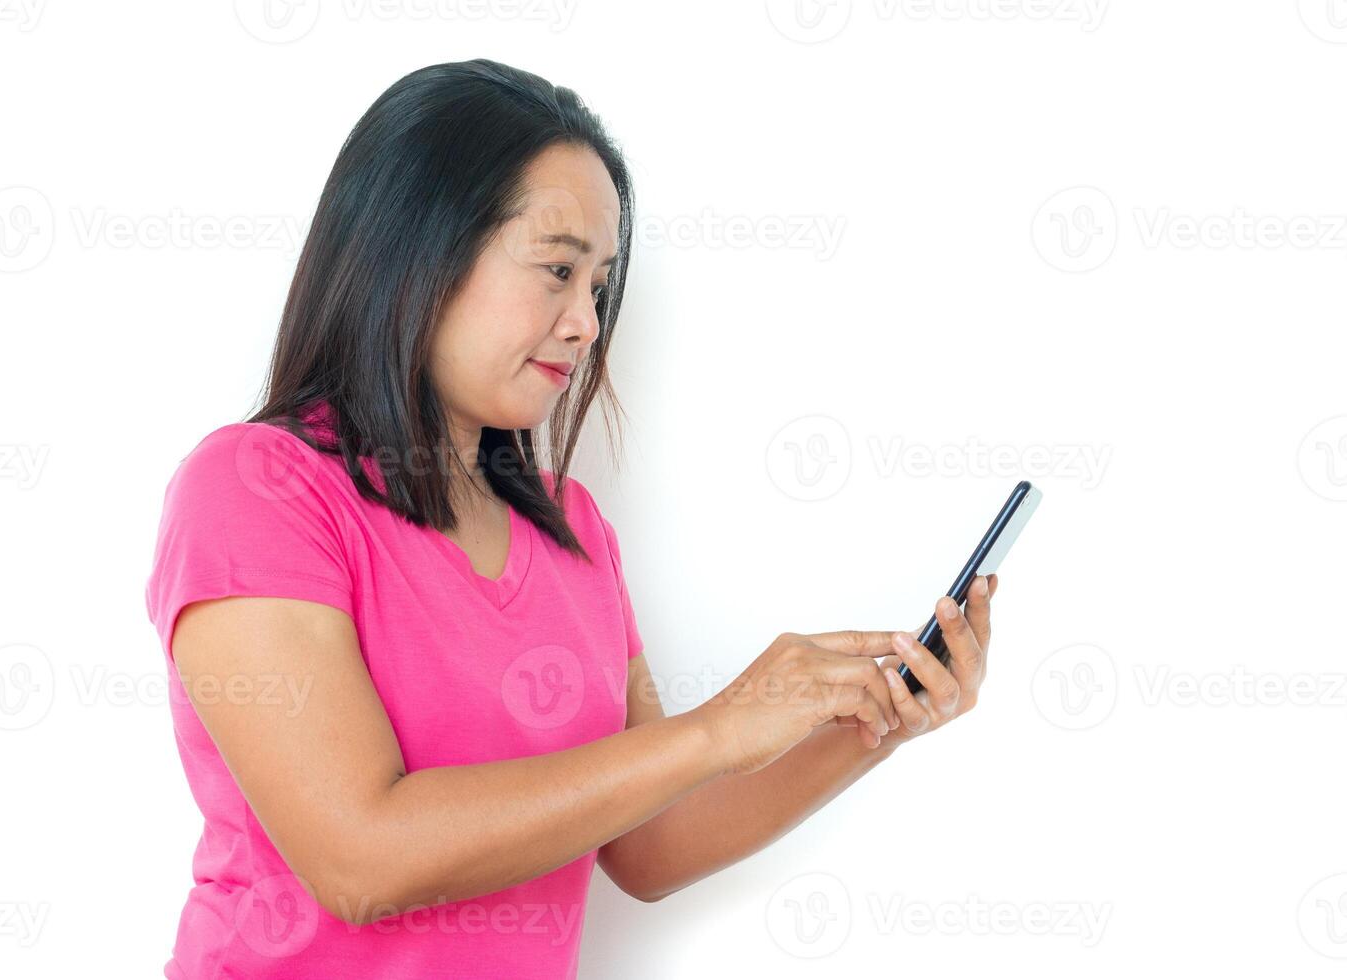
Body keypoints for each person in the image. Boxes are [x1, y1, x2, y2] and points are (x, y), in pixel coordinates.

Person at [143, 57, 997, 979]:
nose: (587, 323)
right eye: (557, 270)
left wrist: (874, 721)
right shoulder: (255, 490)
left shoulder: (574, 528)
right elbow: (361, 856)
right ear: (417, 247)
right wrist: (716, 728)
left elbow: (650, 845)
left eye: (598, 285)